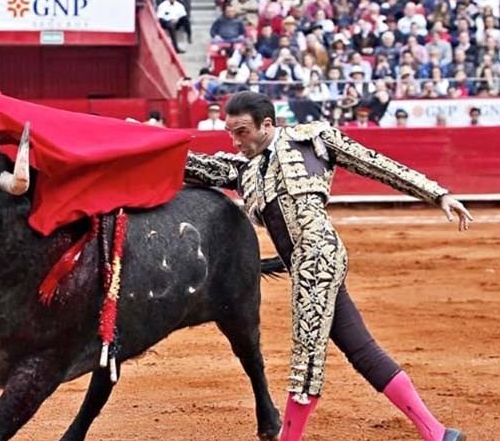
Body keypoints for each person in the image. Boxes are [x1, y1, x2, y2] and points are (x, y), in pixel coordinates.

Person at [183, 91, 470, 441]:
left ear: (267, 124)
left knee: (306, 361)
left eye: (241, 131)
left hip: (318, 257)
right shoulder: (244, 169)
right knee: (360, 348)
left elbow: (375, 163)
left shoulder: (311, 141)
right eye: (230, 132)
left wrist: (436, 193)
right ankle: (437, 433)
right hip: (303, 263)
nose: (235, 140)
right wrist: (143, 139)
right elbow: (190, 164)